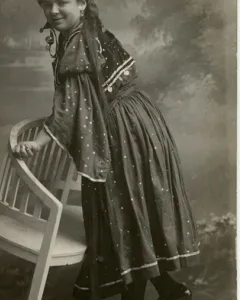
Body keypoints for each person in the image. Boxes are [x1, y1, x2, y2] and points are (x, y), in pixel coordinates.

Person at [13, 0, 200, 299]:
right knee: (134, 209)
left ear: (82, 2)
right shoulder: (86, 29)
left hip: (120, 132)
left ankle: (138, 293)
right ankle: (166, 287)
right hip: (141, 119)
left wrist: (37, 142)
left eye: (63, 2)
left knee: (124, 214)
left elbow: (70, 109)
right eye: (47, 3)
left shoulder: (79, 43)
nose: (54, 10)